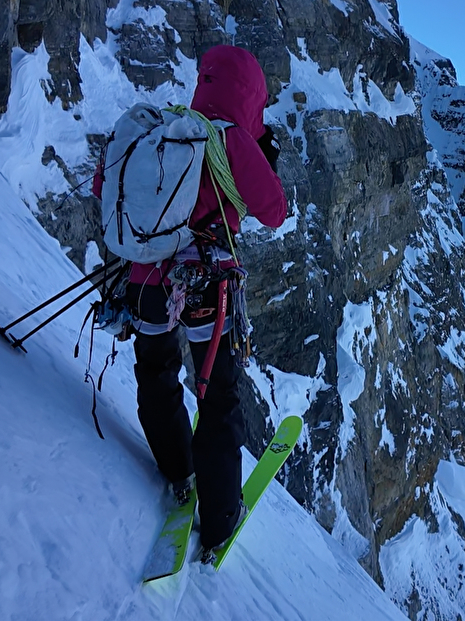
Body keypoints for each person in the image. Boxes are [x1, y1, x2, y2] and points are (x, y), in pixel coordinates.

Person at [94, 45, 287, 555]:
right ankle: (220, 517)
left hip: (142, 282)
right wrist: (261, 152)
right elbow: (274, 211)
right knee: (216, 397)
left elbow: (102, 183)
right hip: (203, 288)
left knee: (155, 373)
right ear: (250, 98)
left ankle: (177, 469)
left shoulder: (170, 130)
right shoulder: (230, 140)